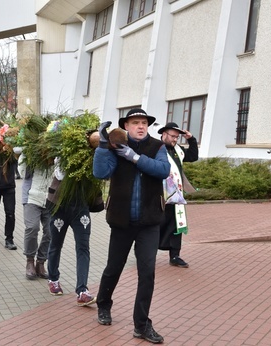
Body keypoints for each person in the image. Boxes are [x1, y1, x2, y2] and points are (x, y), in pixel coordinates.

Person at [93, 108, 170, 344]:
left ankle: (141, 324)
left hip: (149, 222)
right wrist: (103, 145)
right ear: (125, 126)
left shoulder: (158, 147)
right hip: (122, 221)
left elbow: (163, 170)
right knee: (113, 268)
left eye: (144, 123)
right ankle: (103, 305)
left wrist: (135, 158)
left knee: (147, 273)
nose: (140, 126)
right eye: (135, 122)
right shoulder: (115, 147)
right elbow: (100, 172)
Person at [45, 159, 96, 307]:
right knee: (56, 244)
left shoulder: (88, 152)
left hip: (81, 206)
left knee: (83, 247)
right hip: (60, 205)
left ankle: (82, 290)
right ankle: (53, 279)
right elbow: (59, 175)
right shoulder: (61, 149)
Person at [158, 122, 198, 268]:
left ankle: (175, 256)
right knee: (155, 225)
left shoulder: (177, 150)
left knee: (176, 226)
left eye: (177, 137)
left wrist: (191, 140)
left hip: (177, 196)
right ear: (164, 134)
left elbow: (193, 156)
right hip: (159, 195)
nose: (175, 139)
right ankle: (143, 253)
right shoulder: (155, 148)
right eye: (172, 136)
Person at [22, 164, 51, 280]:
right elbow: (22, 172)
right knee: (32, 227)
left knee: (51, 231)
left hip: (50, 198)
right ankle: (30, 261)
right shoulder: (31, 154)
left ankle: (41, 262)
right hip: (31, 197)